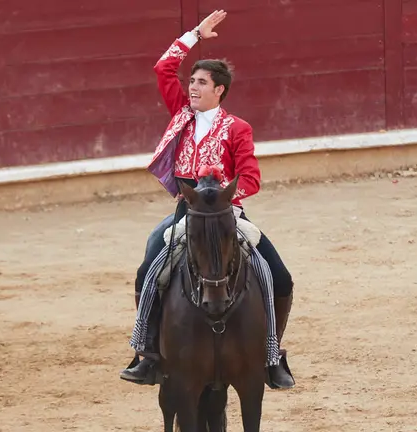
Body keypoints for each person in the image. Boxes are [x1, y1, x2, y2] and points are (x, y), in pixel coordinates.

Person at [119, 9, 295, 389]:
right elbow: (164, 68)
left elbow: (251, 178)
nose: (193, 88)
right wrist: (195, 35)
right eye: (192, 82)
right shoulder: (181, 115)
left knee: (279, 276)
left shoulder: (237, 129)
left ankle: (271, 356)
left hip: (228, 213)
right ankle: (148, 354)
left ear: (220, 90)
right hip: (187, 213)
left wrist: (222, 198)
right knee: (148, 269)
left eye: (201, 82)